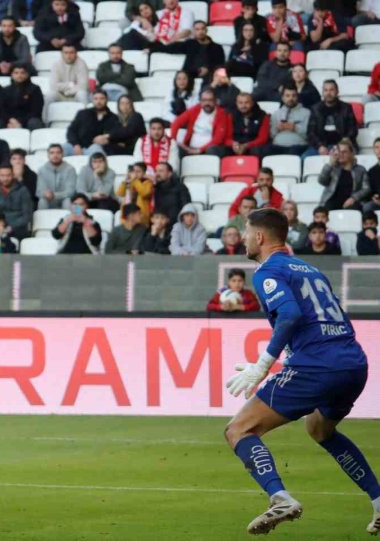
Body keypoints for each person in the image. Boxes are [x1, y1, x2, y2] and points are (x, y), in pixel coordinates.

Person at [225, 207, 377, 536]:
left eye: (248, 233)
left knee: (238, 430)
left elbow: (290, 315)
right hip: (353, 362)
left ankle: (279, 498)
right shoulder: (309, 270)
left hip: (318, 366)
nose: (245, 240)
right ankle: (379, 501)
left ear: (260, 236)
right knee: (320, 430)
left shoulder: (267, 271)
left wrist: (264, 366)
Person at [170, 88, 232, 157]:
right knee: (174, 148)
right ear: (200, 101)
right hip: (190, 148)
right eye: (204, 100)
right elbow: (176, 123)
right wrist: (173, 141)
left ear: (215, 101)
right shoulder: (195, 109)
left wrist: (200, 150)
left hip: (208, 149)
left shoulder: (222, 114)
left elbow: (218, 139)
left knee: (212, 150)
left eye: (210, 100)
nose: (207, 103)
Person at [307, 81, 359, 157]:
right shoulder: (315, 109)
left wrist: (342, 144)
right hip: (321, 145)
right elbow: (311, 133)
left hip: (342, 145)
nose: (328, 93)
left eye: (331, 90)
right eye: (326, 90)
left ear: (337, 91)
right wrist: (320, 146)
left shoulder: (346, 108)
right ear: (323, 92)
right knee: (304, 158)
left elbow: (353, 130)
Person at [0, 164, 33, 239]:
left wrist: (11, 227)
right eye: (2, 176)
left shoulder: (23, 190)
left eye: (8, 175)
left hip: (17, 228)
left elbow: (27, 215)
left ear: (13, 175)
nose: (5, 178)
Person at [318, 138, 369, 210]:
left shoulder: (360, 170)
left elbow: (366, 189)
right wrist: (330, 164)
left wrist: (354, 198)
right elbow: (322, 181)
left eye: (344, 152)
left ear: (351, 153)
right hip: (332, 201)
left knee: (354, 209)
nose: (341, 154)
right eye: (339, 152)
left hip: (351, 202)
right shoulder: (333, 168)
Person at [67, 90, 117, 156]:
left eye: (102, 98)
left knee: (97, 152)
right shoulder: (83, 113)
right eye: (96, 99)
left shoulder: (113, 117)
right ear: (92, 100)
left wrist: (107, 139)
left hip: (96, 147)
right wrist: (76, 144)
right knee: (59, 150)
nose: (98, 102)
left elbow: (114, 135)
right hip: (76, 145)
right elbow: (71, 130)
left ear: (106, 99)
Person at [267, 85, 311, 156]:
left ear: (297, 97)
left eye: (293, 96)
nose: (291, 98)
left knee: (293, 152)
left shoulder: (306, 113)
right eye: (287, 96)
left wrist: (295, 128)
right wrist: (277, 129)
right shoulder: (276, 113)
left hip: (297, 146)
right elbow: (272, 135)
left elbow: (309, 135)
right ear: (282, 98)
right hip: (278, 146)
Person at [0, 63, 44, 129]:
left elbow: (36, 111)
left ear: (27, 74)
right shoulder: (5, 90)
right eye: (16, 73)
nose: (19, 75)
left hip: (28, 120)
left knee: (34, 122)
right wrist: (11, 120)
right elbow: (1, 109)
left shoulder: (35, 89)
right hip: (9, 121)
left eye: (22, 73)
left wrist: (19, 122)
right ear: (12, 74)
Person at [36, 143, 76, 210]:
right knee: (42, 201)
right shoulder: (42, 170)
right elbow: (39, 192)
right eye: (52, 153)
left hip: (64, 200)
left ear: (62, 154)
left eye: (58, 153)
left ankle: (69, 220)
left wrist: (54, 195)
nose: (55, 155)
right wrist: (45, 194)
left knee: (67, 201)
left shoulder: (70, 169)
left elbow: (70, 192)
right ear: (48, 155)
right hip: (48, 201)